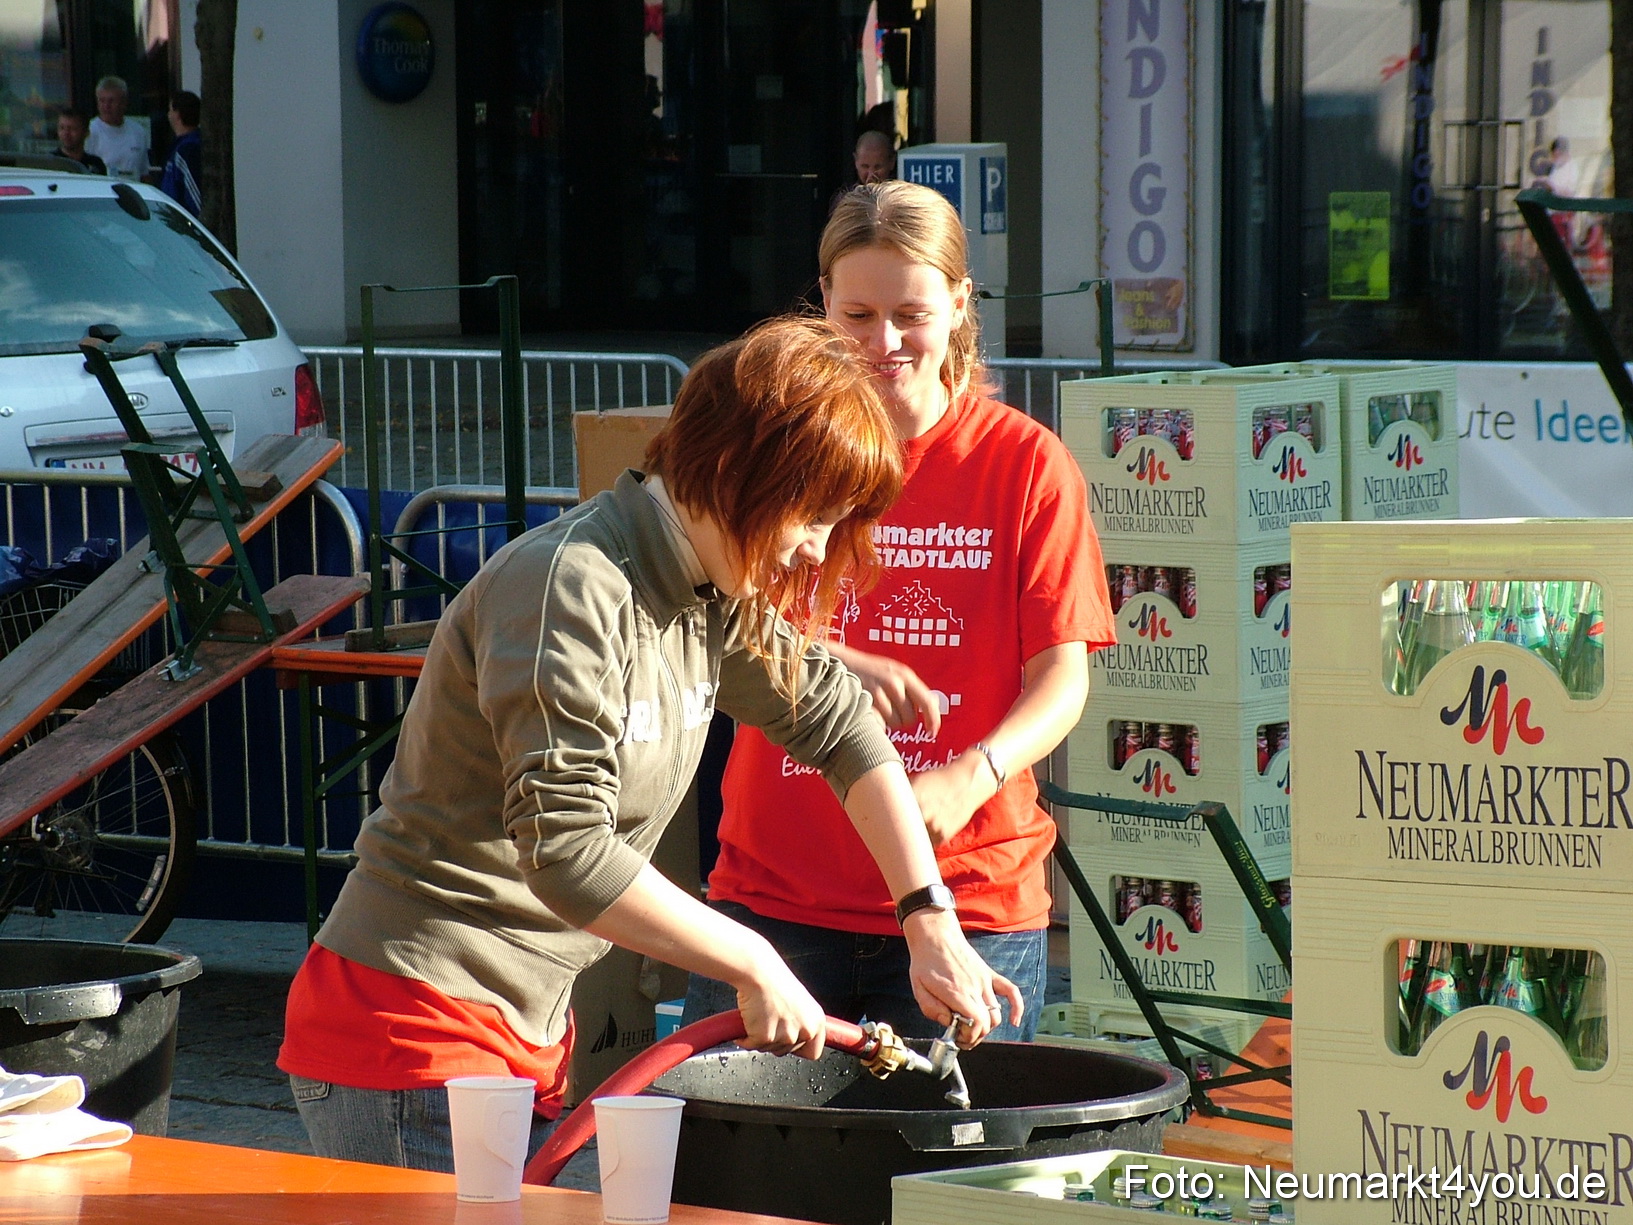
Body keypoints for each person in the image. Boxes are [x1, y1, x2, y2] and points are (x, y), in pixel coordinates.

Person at [277, 315, 1019, 1171]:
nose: (815, 550)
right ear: (736, 470)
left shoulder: (706, 588)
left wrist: (927, 917)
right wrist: (752, 956)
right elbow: (567, 849)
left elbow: (838, 723)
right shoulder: (570, 586)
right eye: (811, 517)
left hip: (514, 1030)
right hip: (407, 1028)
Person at [685, 181, 1115, 1042]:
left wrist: (974, 772)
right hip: (775, 897)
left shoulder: (1024, 463)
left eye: (910, 314)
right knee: (732, 1176)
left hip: (968, 895)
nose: (883, 343)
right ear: (822, 308)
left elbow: (1063, 678)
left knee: (943, 1172)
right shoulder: (775, 452)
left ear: (959, 304)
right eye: (856, 314)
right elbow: (701, 627)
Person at [84, 75, 149, 181]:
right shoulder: (89, 131)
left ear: (124, 102)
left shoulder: (138, 131)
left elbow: (144, 172)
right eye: (102, 101)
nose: (106, 106)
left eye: (111, 101)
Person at [158, 91, 202, 215]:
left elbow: (195, 194)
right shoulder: (178, 146)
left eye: (170, 110)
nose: (168, 114)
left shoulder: (188, 148)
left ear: (177, 114)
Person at [53, 108, 107, 175]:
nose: (66, 133)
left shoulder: (96, 165)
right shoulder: (49, 163)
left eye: (72, 129)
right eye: (62, 128)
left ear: (86, 133)